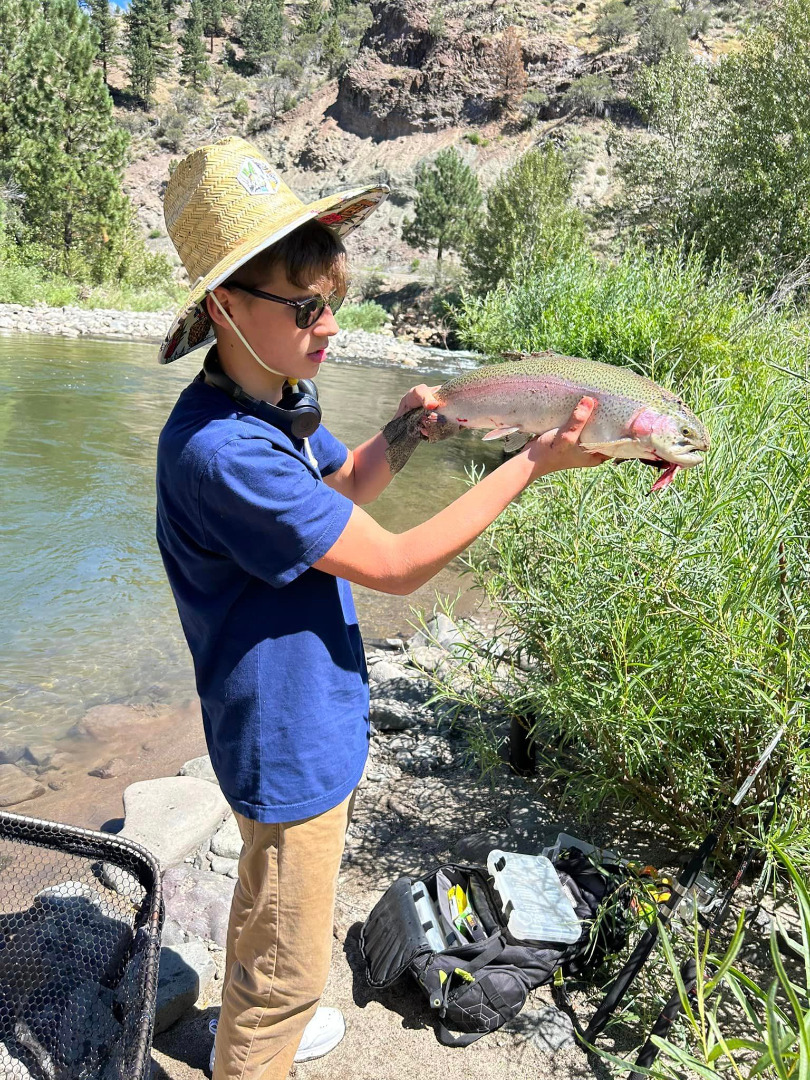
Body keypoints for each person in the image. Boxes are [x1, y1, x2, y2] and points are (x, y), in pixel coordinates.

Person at [155, 136, 605, 1080]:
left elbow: (349, 487)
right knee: (285, 976)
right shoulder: (223, 453)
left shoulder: (277, 401)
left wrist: (408, 427)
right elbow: (396, 566)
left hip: (304, 722)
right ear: (227, 307)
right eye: (307, 307)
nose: (328, 326)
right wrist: (531, 463)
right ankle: (258, 1042)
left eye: (336, 303)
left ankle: (257, 1013)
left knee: (273, 911)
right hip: (285, 743)